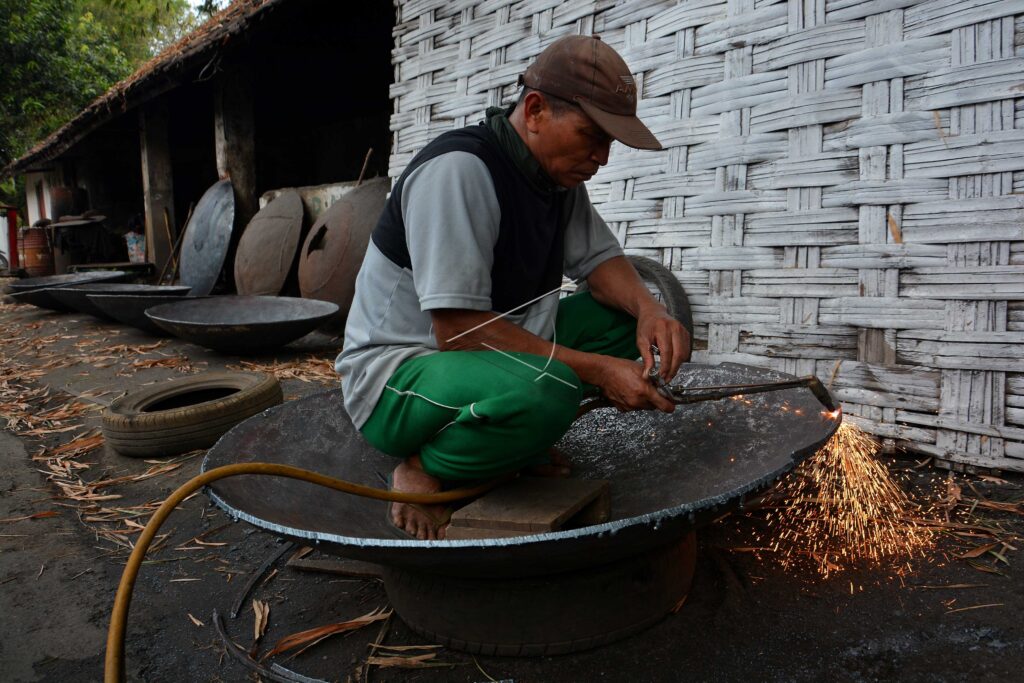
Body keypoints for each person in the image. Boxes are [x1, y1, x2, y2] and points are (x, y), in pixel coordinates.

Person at [337, 35, 691, 539]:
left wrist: (650, 309)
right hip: (399, 377)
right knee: (553, 390)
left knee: (622, 328)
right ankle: (427, 466)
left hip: (486, 358)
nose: (602, 157)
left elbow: (601, 261)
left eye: (609, 143)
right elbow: (456, 331)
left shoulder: (556, 179)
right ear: (535, 110)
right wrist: (598, 371)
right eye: (592, 135)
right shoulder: (459, 171)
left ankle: (508, 442)